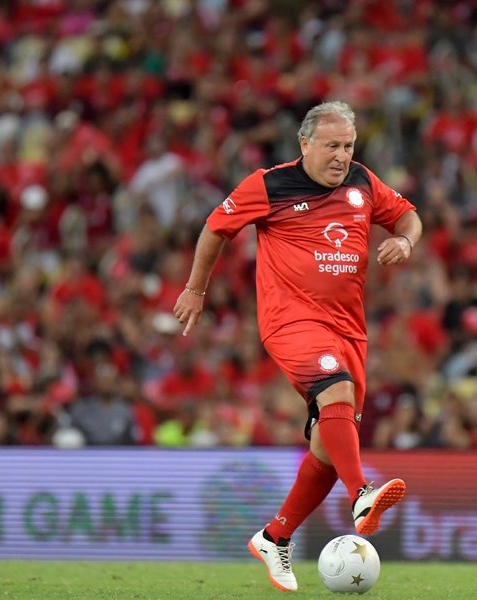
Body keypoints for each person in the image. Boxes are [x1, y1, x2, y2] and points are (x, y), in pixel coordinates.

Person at [174, 101, 422, 592]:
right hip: (291, 320)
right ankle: (361, 495)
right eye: (332, 146)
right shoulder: (269, 185)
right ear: (304, 144)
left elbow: (410, 216)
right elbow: (214, 228)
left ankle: (275, 536)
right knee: (336, 390)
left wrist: (407, 242)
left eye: (348, 146)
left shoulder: (363, 183)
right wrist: (195, 290)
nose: (341, 156)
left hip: (349, 329)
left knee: (327, 445)